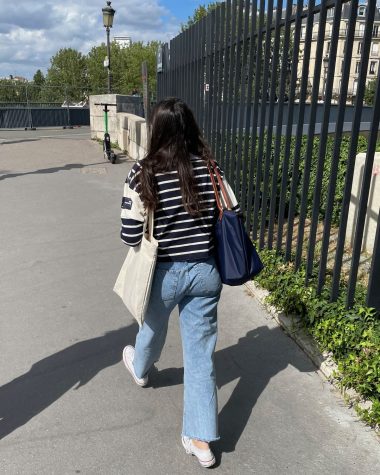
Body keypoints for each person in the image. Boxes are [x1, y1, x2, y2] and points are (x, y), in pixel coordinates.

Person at [119, 97, 239, 468]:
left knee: (152, 326)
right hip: (205, 272)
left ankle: (140, 369)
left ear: (157, 130)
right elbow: (232, 209)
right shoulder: (210, 168)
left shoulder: (142, 173)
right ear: (190, 128)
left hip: (165, 272)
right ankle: (201, 442)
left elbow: (130, 234)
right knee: (201, 357)